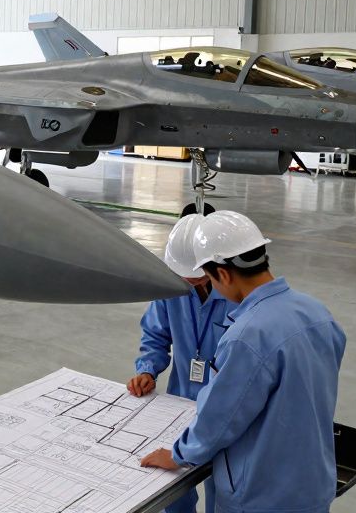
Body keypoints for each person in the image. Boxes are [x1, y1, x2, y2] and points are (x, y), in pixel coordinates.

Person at [139, 211, 345, 513]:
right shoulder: (318, 314)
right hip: (310, 484)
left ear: (222, 274)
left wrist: (178, 455)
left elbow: (222, 417)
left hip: (259, 495)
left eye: (208, 278)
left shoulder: (246, 335)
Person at [127, 214, 230, 513]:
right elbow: (156, 333)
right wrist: (147, 369)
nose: (190, 281)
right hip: (179, 405)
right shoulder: (171, 288)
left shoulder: (236, 295)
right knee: (171, 492)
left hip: (225, 411)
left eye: (197, 274)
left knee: (223, 491)